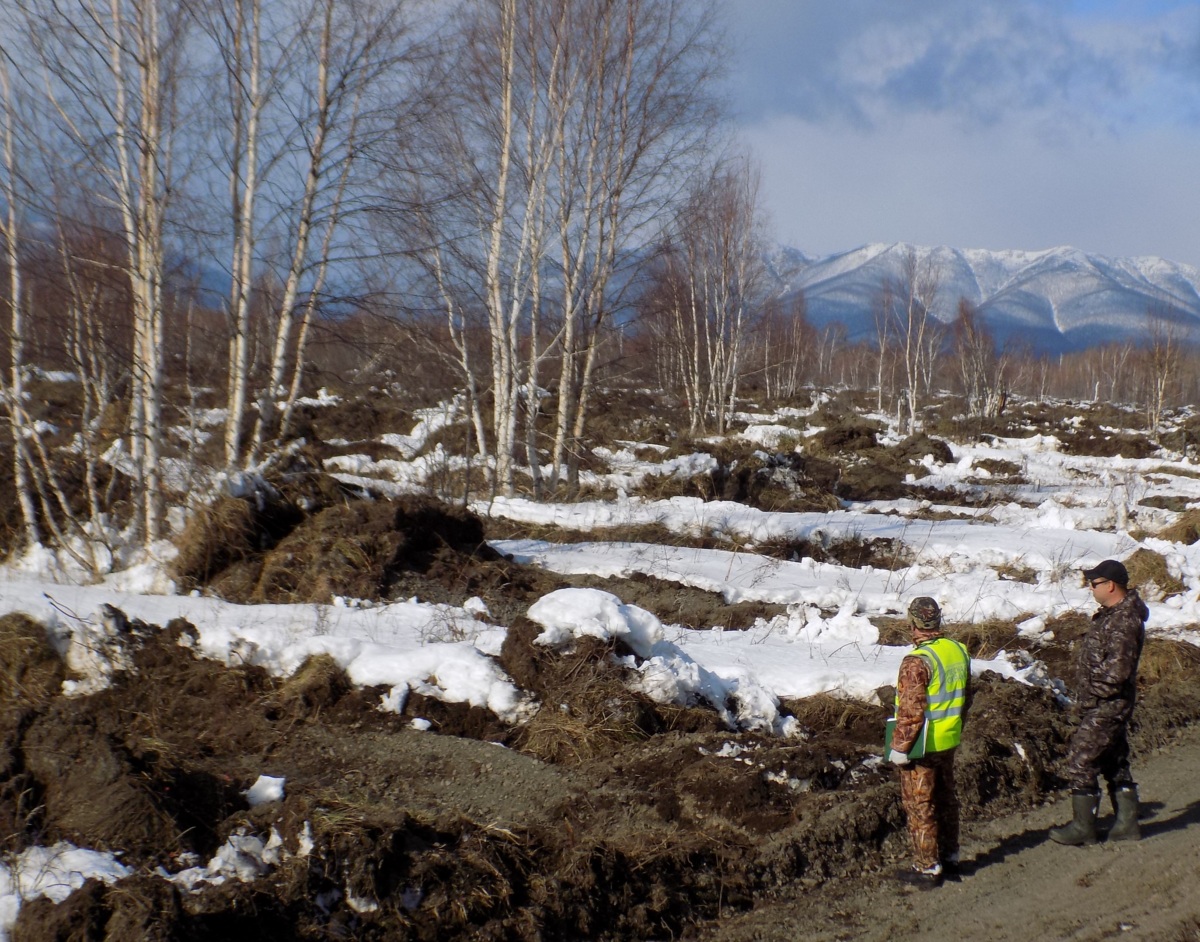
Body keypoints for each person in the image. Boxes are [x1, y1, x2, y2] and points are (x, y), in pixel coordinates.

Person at [1050, 558, 1148, 846]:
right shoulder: (1111, 615)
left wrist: (1091, 694)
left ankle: (1084, 828)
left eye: (1094, 584)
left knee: (1081, 759)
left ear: (1111, 586)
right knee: (1113, 760)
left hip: (1108, 704)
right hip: (1103, 702)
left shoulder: (1124, 620)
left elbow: (1118, 671)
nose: (1091, 589)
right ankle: (1127, 824)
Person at [888, 597, 971, 888]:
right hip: (949, 739)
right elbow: (966, 697)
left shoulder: (916, 661)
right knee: (946, 799)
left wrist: (899, 748)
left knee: (920, 805)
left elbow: (910, 712)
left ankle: (927, 868)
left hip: (922, 746)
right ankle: (950, 856)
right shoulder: (957, 651)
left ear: (912, 624)